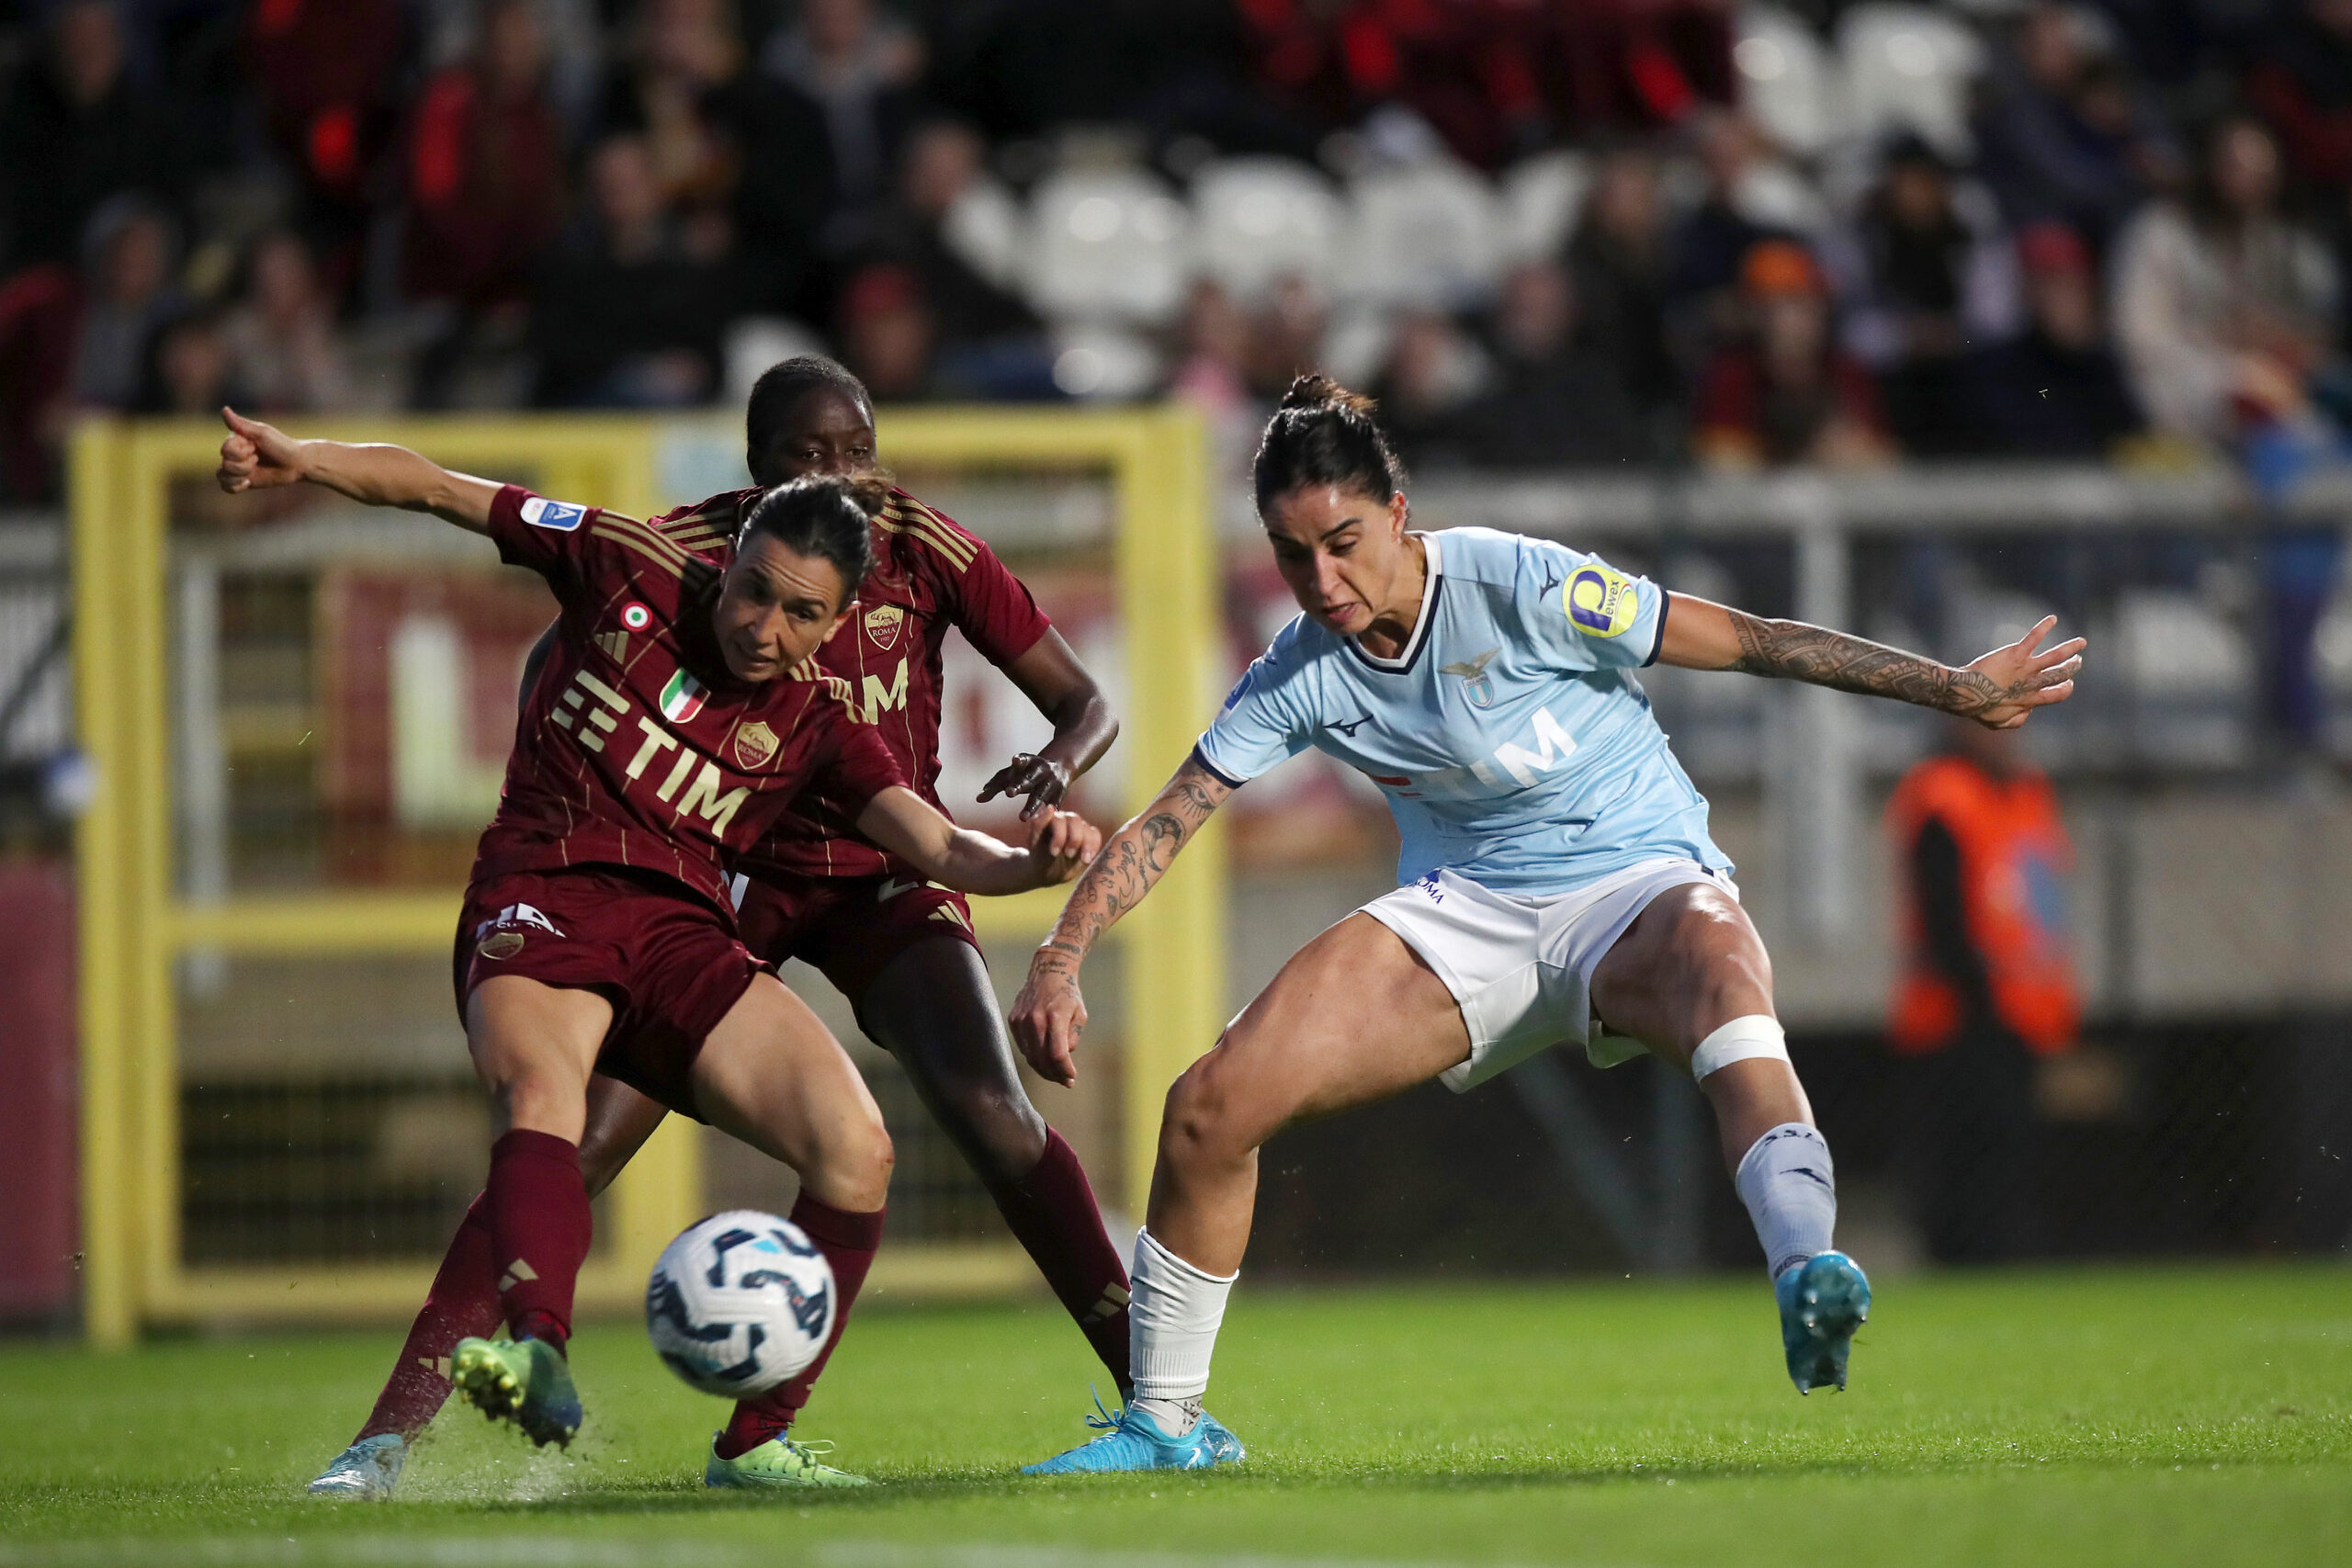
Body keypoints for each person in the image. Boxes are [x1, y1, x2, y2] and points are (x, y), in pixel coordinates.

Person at [1013, 376, 2084, 1472]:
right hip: (1464, 915)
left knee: (1723, 971)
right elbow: (1168, 821)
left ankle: (1806, 1267)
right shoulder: (1300, 671)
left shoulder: (1525, 582)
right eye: (1293, 556)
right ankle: (1166, 1427)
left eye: (1342, 541)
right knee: (1206, 1108)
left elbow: (1754, 639)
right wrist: (1060, 956)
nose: (1322, 580)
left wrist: (1952, 689)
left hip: (1633, 882)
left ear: (1397, 513)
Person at [214, 410, 1102, 1491]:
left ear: (833, 627)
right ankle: (488, 1380)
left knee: (856, 1149)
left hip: (684, 931)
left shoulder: (820, 726)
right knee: (545, 1100)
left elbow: (940, 844)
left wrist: (1035, 864)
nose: (765, 626)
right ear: (730, 562)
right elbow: (440, 488)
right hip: (544, 890)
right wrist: (304, 459)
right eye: (756, 591)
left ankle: (754, 1441)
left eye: (800, 614)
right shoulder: (625, 562)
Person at [1885, 717, 2079, 1264]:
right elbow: (1944, 917)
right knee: (1963, 1163)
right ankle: (1961, 1262)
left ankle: (2001, 1259)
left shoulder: (2026, 792)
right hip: (1957, 1021)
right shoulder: (1943, 796)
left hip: (2021, 1013)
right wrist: (1985, 1000)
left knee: (2012, 1158)